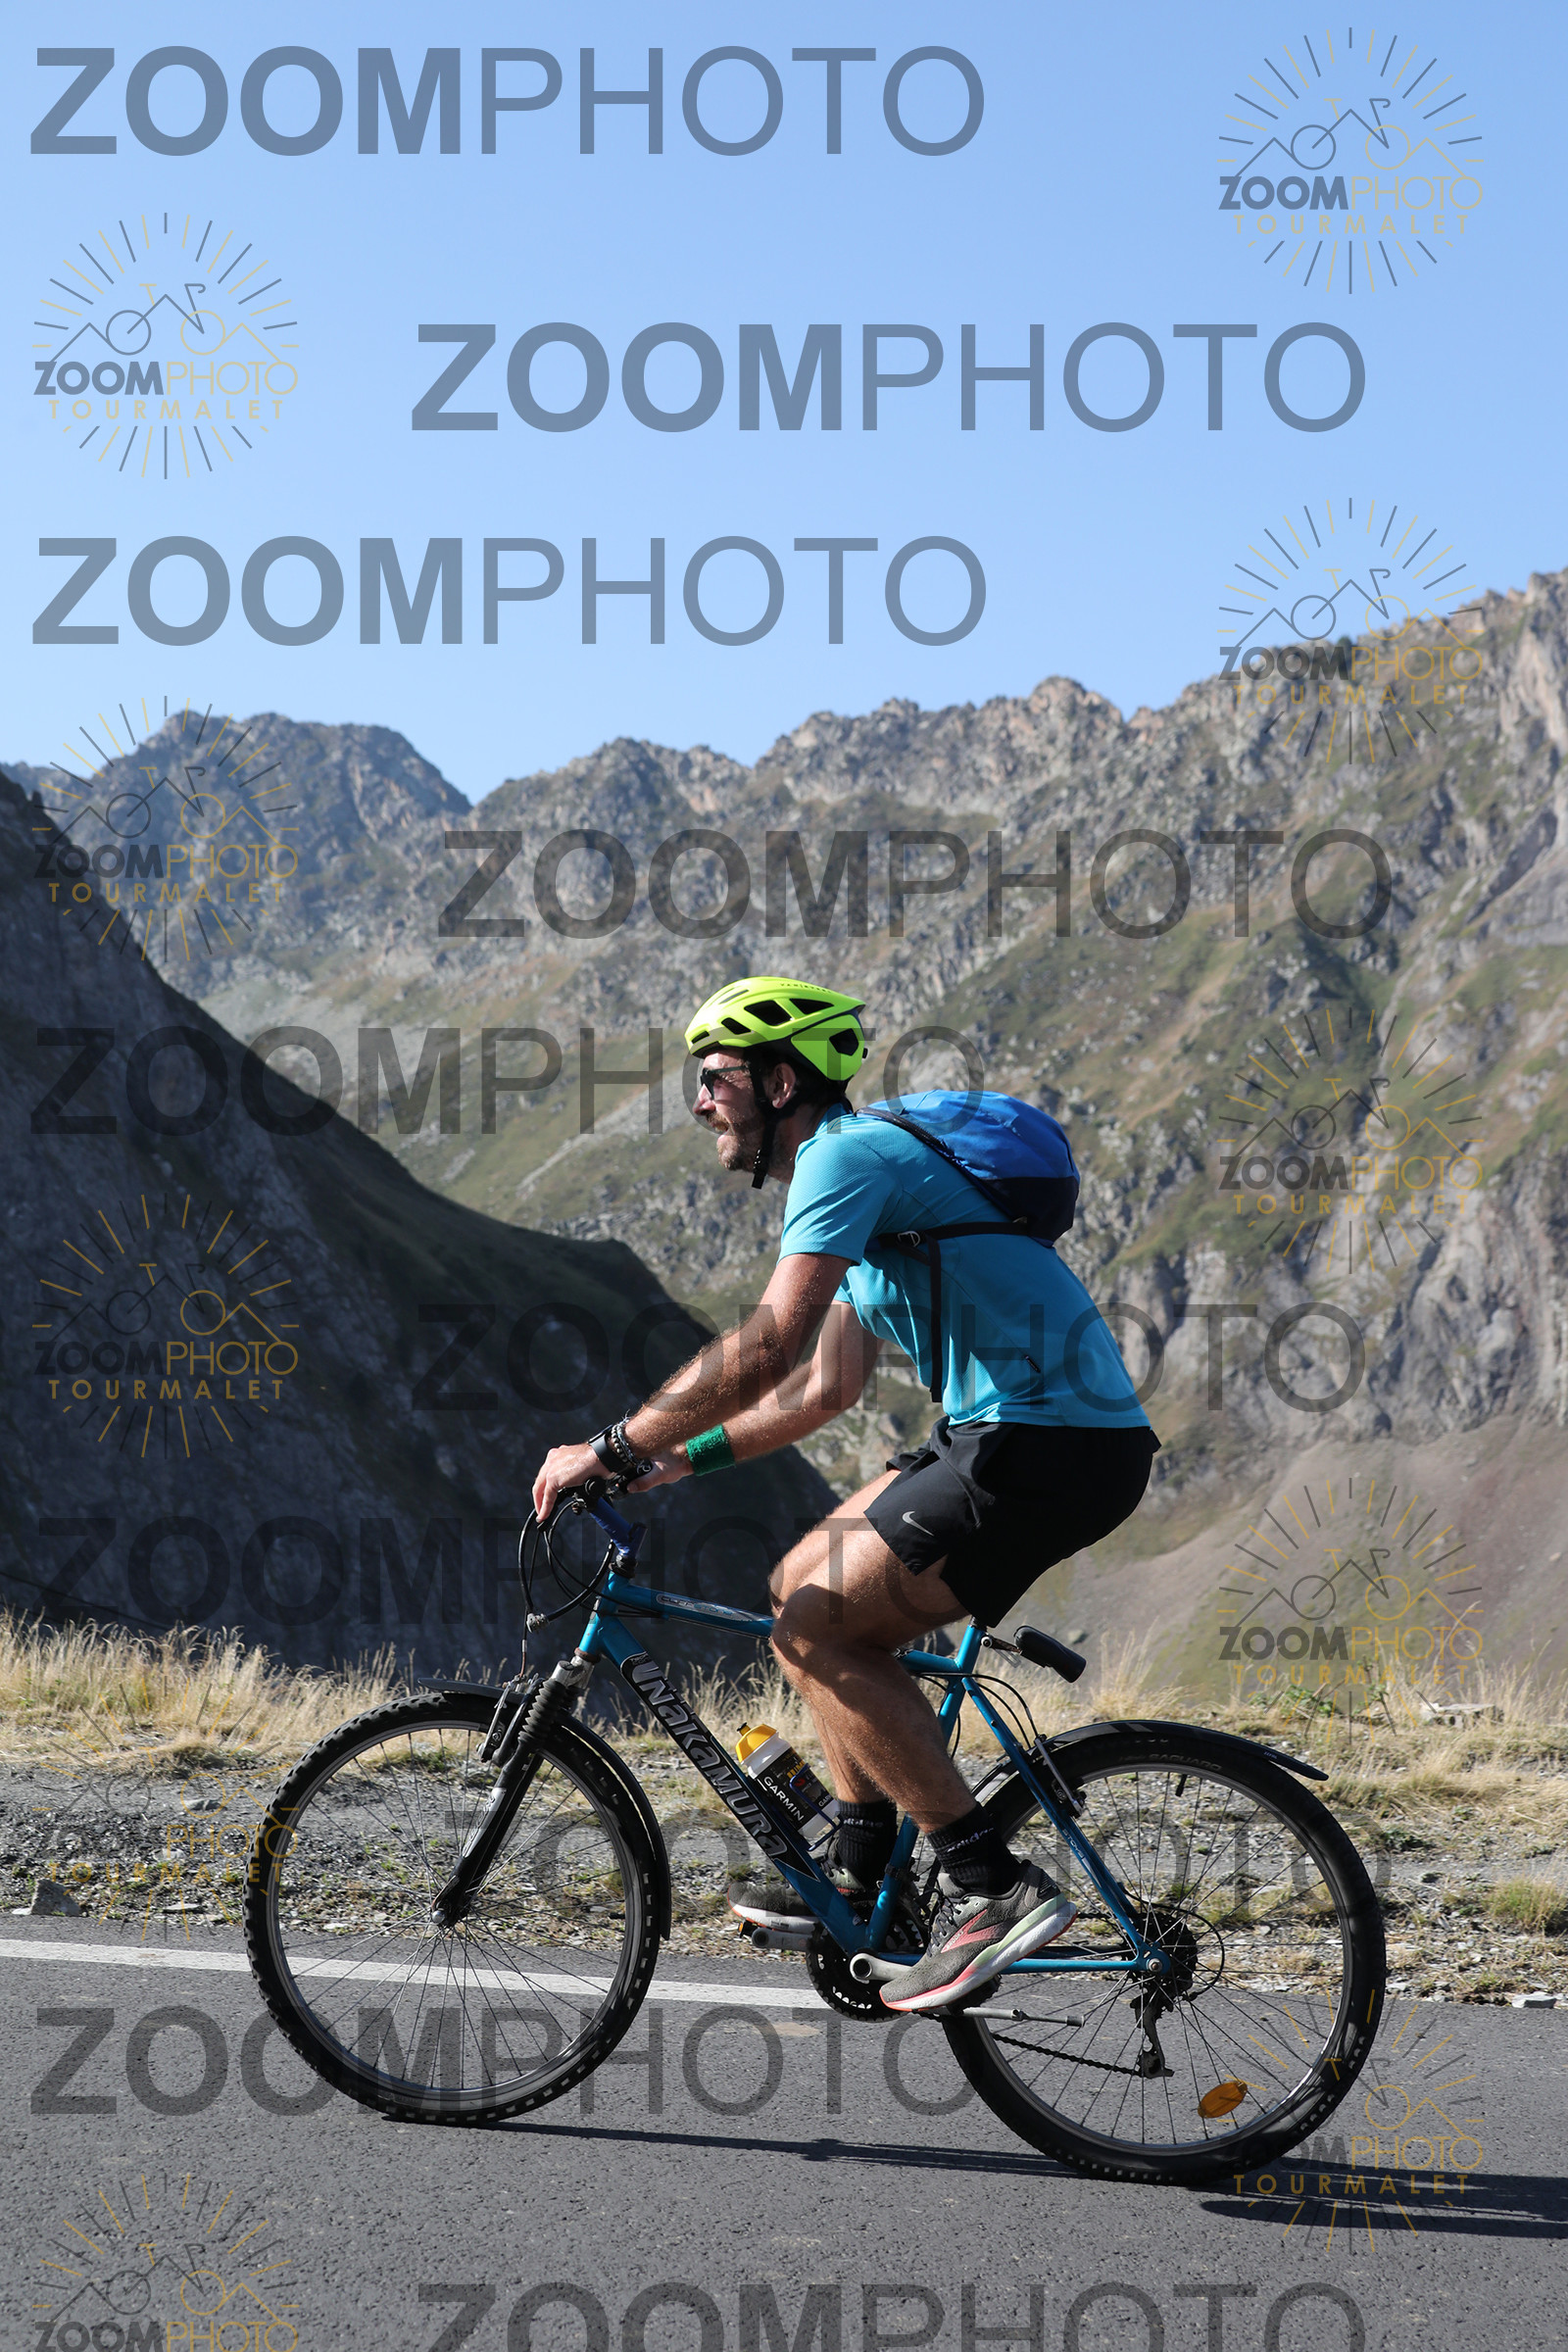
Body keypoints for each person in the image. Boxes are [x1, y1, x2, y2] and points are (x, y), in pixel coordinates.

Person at [531, 976, 1158, 2014]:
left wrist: (609, 1445)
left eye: (716, 1078)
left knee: (824, 1629)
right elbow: (824, 1387)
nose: (701, 1101)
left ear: (781, 1084)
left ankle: (991, 1886)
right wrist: (685, 1461)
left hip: (1045, 1440)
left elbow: (767, 1347)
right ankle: (861, 1877)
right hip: (1019, 1434)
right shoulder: (872, 1180)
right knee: (797, 1591)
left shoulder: (843, 1158)